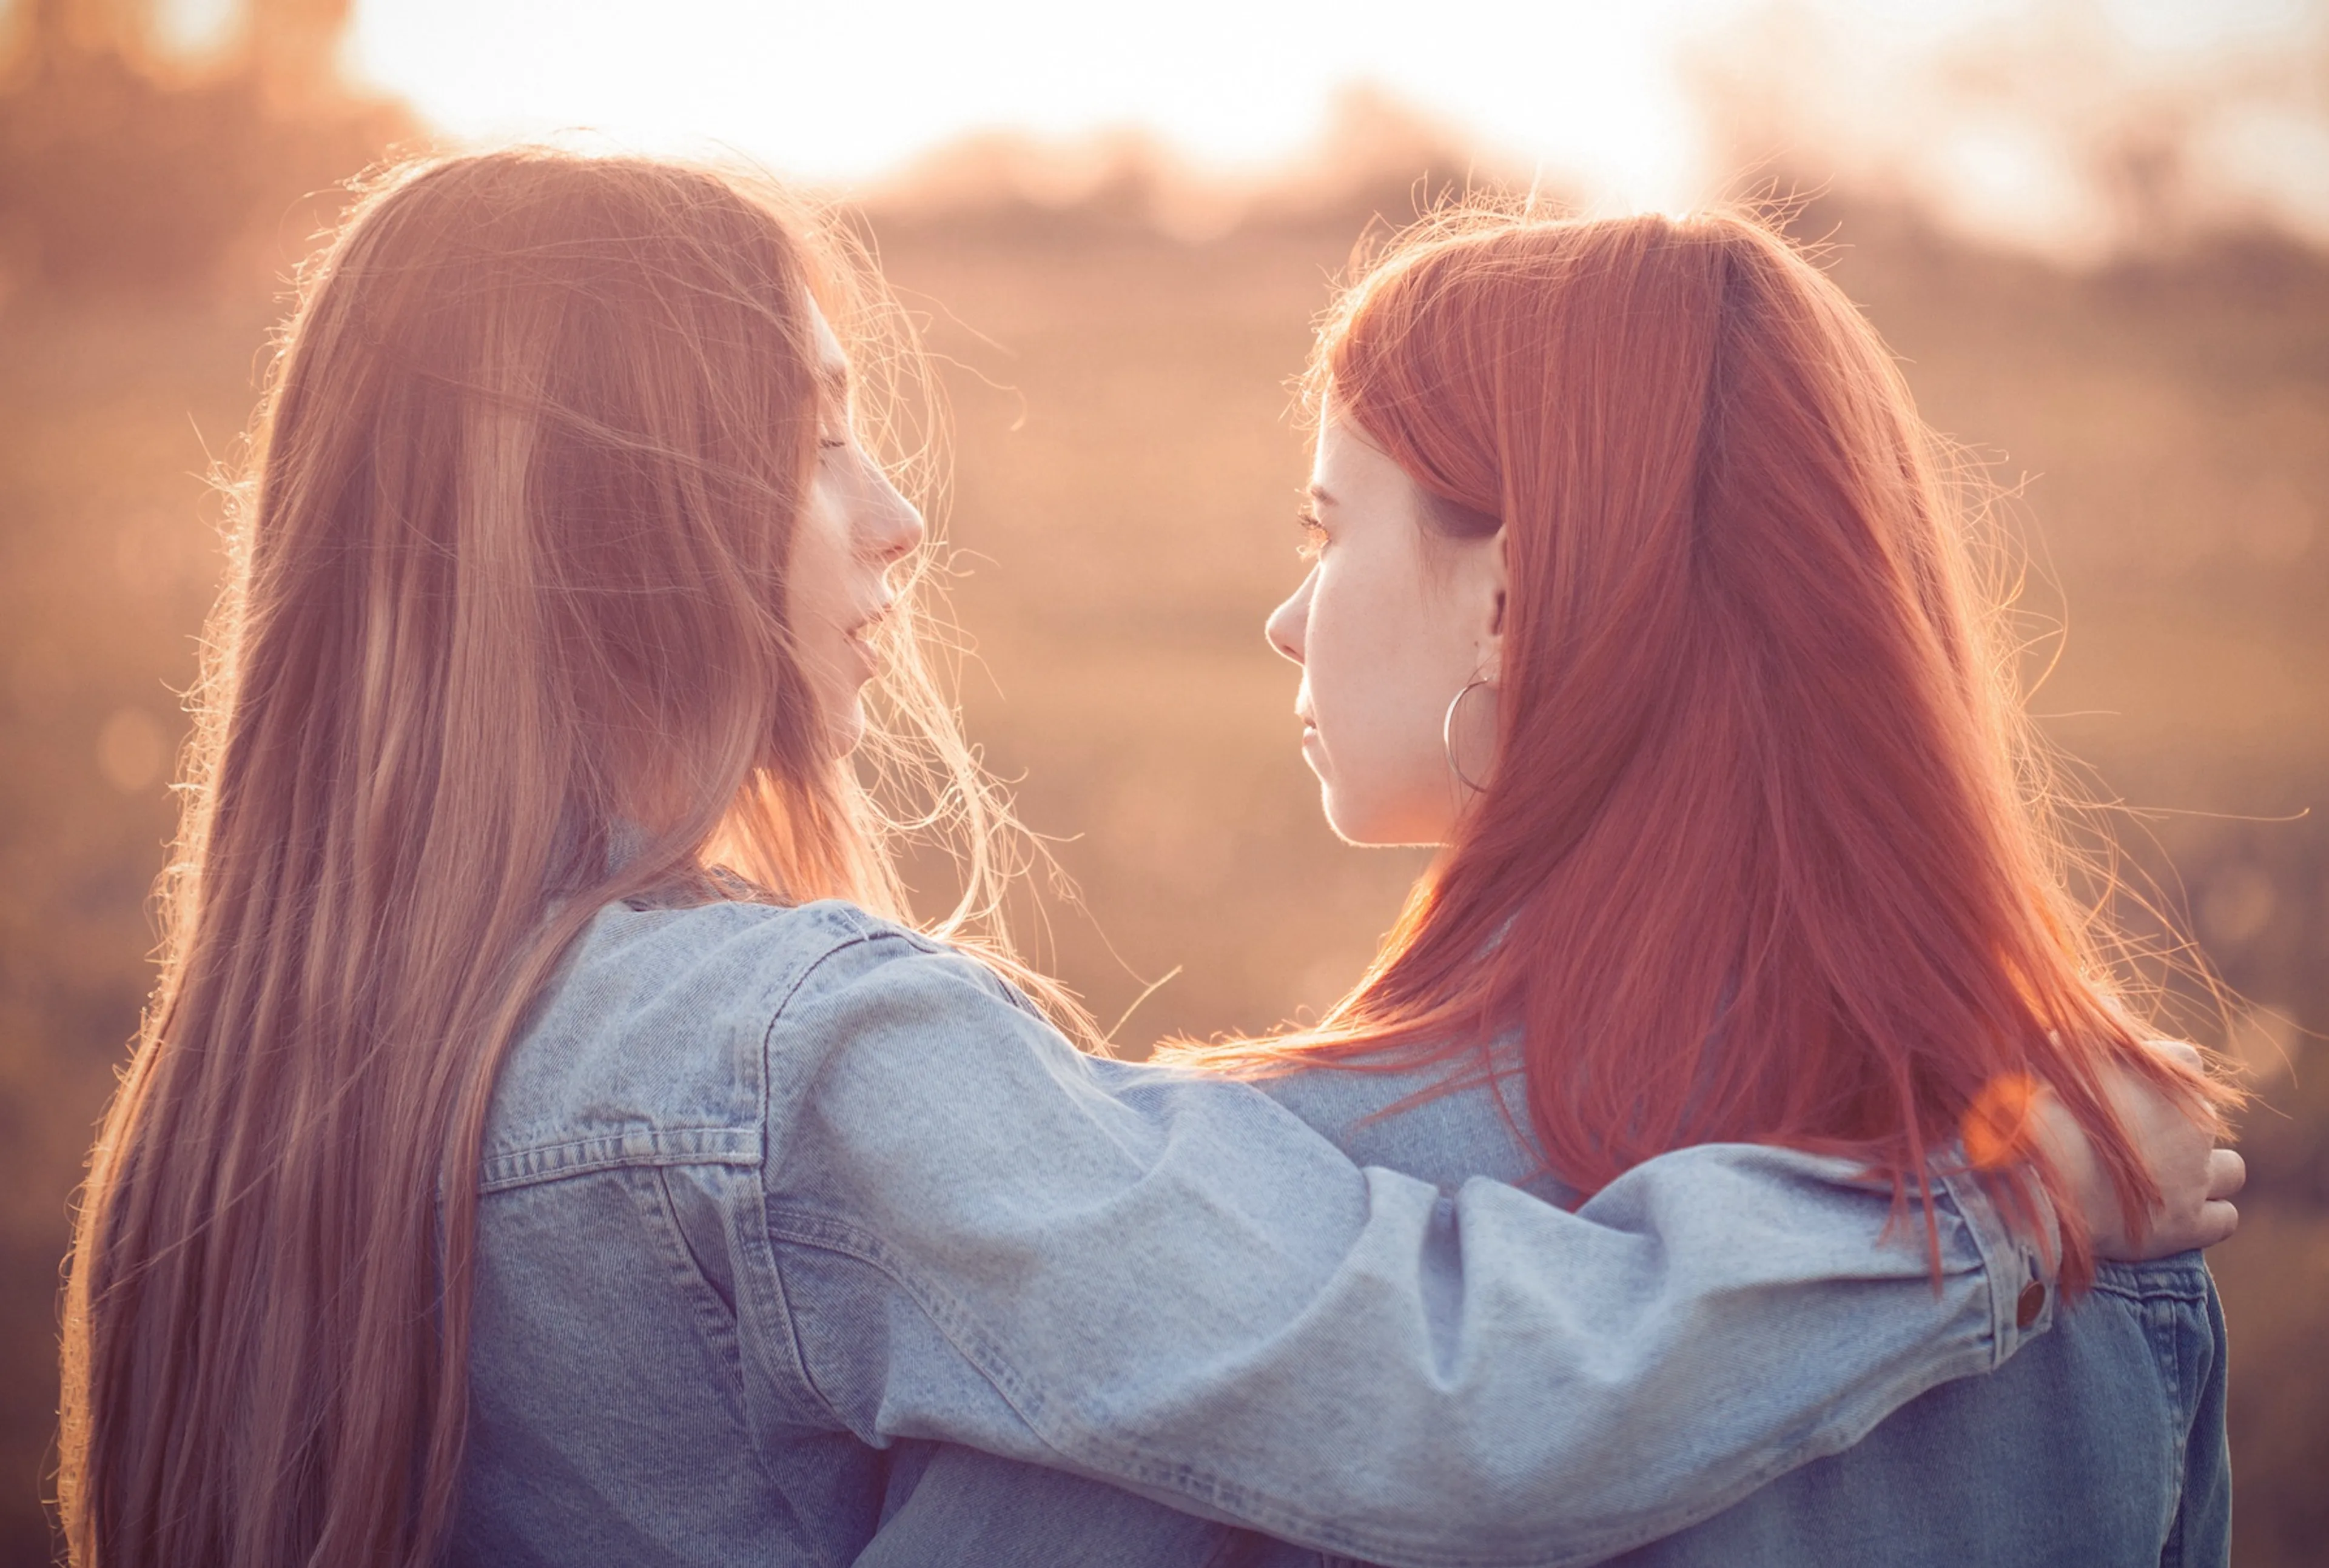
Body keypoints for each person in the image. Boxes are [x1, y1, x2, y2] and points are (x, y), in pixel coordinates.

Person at [53, 154, 2236, 1568]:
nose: (897, 518)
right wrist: (1997, 1198)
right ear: (617, 524)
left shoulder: (262, 1098)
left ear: (1515, 591)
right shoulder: (825, 1067)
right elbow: (1452, 1394)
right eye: (809, 443)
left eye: (1326, 522)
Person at [858, 208, 2247, 1566]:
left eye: (1326, 530)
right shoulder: (2106, 1183)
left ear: (1510, 601)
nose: (1289, 620)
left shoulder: (1285, 1203)